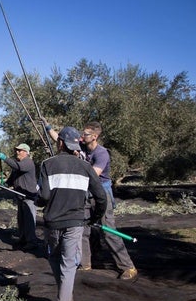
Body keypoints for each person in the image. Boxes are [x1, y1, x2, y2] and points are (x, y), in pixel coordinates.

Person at [42, 119, 138, 280]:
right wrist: (47, 127)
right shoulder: (82, 147)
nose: (81, 136)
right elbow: (60, 138)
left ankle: (128, 267)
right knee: (83, 229)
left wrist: (73, 161)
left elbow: (92, 175)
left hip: (101, 193)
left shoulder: (101, 153)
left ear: (94, 136)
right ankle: (85, 263)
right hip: (85, 193)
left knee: (109, 231)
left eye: (85, 134)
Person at [36, 127, 107, 301]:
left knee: (56, 262)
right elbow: (101, 198)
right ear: (75, 145)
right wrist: (93, 217)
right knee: (68, 267)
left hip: (52, 223)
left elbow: (44, 198)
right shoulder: (85, 167)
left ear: (60, 144)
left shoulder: (47, 164)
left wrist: (36, 198)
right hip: (75, 222)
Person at [0, 144, 39, 250]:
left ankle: (32, 242)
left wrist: (5, 159)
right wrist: (5, 185)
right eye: (16, 150)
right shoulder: (18, 166)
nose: (17, 152)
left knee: (29, 221)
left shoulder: (27, 162)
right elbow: (12, 179)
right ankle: (23, 240)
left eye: (20, 150)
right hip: (20, 197)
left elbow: (18, 167)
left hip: (29, 196)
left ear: (26, 152)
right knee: (21, 220)